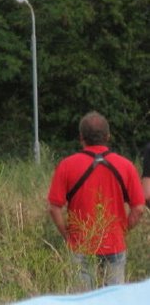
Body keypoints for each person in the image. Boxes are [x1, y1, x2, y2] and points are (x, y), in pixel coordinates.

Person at [47, 111, 144, 290]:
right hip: (114, 243)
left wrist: (67, 235)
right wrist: (121, 230)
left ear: (81, 137)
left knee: (83, 298)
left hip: (81, 244)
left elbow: (54, 208)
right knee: (115, 299)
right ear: (108, 137)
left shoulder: (67, 165)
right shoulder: (126, 166)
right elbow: (138, 208)